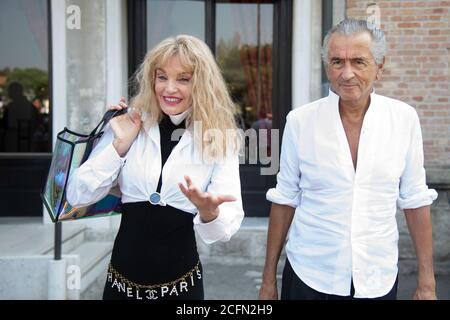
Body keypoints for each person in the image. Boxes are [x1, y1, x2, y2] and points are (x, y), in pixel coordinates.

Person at [259, 19, 438, 300]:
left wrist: (427, 283)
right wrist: (268, 279)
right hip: (310, 274)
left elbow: (415, 200)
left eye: (358, 61)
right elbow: (285, 200)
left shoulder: (403, 119)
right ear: (327, 67)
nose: (347, 73)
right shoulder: (300, 121)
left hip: (376, 277)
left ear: (379, 67)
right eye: (337, 62)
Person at [67, 35, 244, 300]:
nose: (169, 88)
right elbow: (77, 195)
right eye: (162, 77)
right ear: (152, 79)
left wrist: (209, 212)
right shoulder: (129, 122)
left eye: (183, 79)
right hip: (121, 286)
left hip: (182, 290)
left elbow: (222, 232)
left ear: (202, 83)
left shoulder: (221, 136)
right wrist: (118, 147)